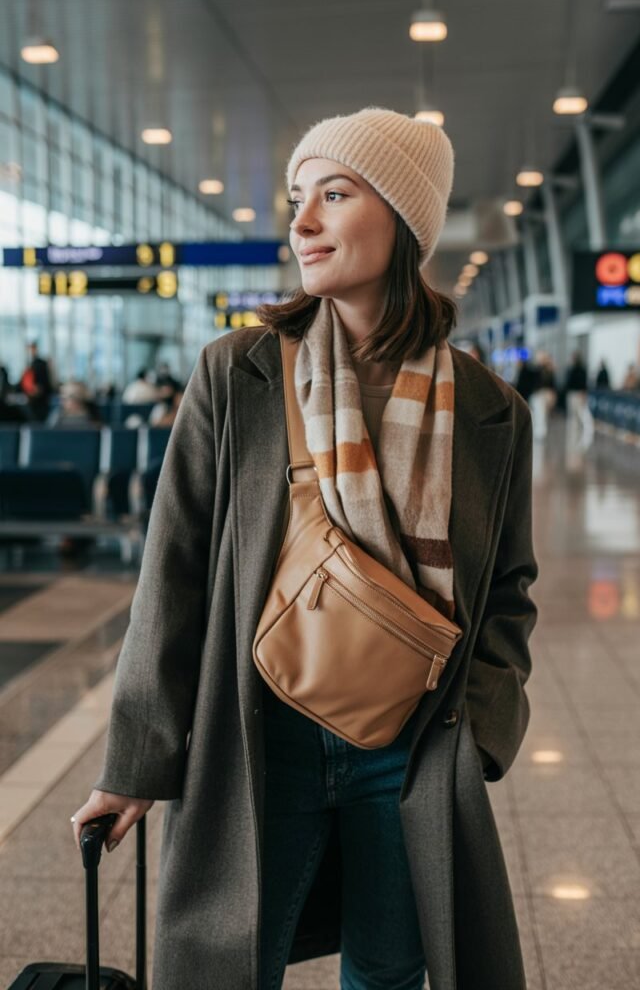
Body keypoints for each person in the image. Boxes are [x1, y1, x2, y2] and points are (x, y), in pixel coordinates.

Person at [71, 108, 538, 990]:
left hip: (411, 748)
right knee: (228, 967)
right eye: (297, 199)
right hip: (258, 737)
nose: (303, 222)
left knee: (390, 972)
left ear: (403, 219)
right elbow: (173, 573)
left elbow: (509, 588)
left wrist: (481, 731)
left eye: (335, 194)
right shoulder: (240, 373)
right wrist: (135, 763)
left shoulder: (489, 411)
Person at [564, 351, 593, 447]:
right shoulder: (574, 370)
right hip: (574, 395)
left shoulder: (577, 370)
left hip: (577, 395)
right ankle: (573, 438)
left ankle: (577, 438)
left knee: (577, 417)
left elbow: (582, 384)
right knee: (574, 417)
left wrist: (583, 394)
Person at [19, 340, 53, 421]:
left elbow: (45, 383)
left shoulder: (41, 363)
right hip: (32, 399)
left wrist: (39, 389)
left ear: (36, 349)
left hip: (41, 399)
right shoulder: (29, 365)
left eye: (32, 348)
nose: (31, 351)